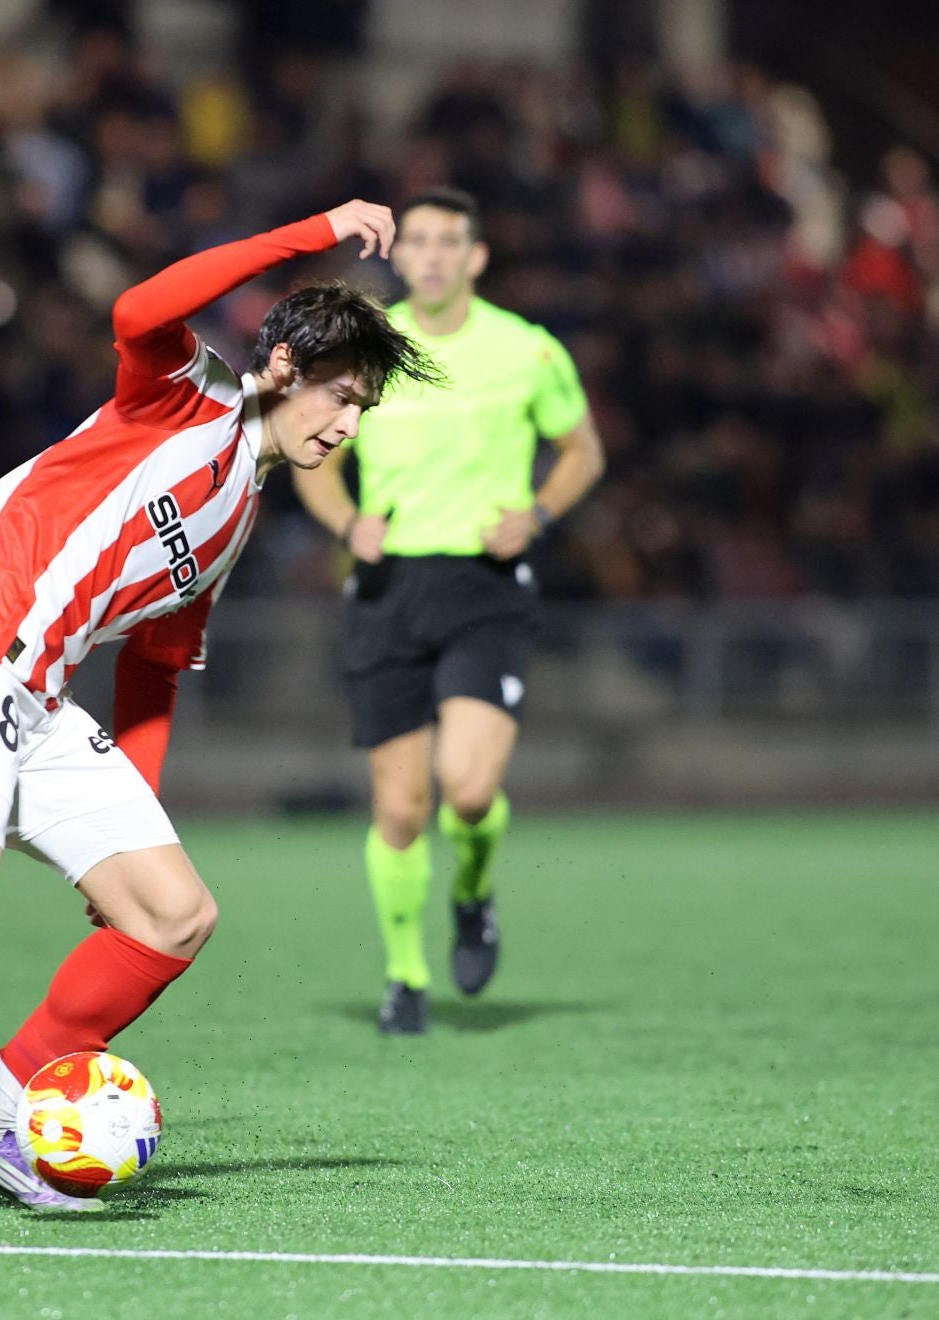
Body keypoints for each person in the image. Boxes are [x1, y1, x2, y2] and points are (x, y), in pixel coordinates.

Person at [0, 200, 444, 1229]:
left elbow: (155, 665)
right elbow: (139, 306)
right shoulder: (187, 393)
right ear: (285, 365)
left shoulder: (237, 513)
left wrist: (115, 835)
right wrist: (317, 228)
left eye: (363, 410)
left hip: (40, 699)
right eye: (340, 396)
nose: (347, 425)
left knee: (171, 913)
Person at [292, 187, 605, 1034]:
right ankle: (405, 977)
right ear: (398, 256)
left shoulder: (527, 349)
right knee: (400, 809)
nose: (431, 256)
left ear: (476, 257)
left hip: (483, 585)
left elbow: (582, 451)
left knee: (467, 790)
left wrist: (536, 515)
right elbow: (310, 456)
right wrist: (346, 524)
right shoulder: (365, 348)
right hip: (388, 587)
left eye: (447, 242)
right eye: (418, 241)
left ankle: (472, 892)